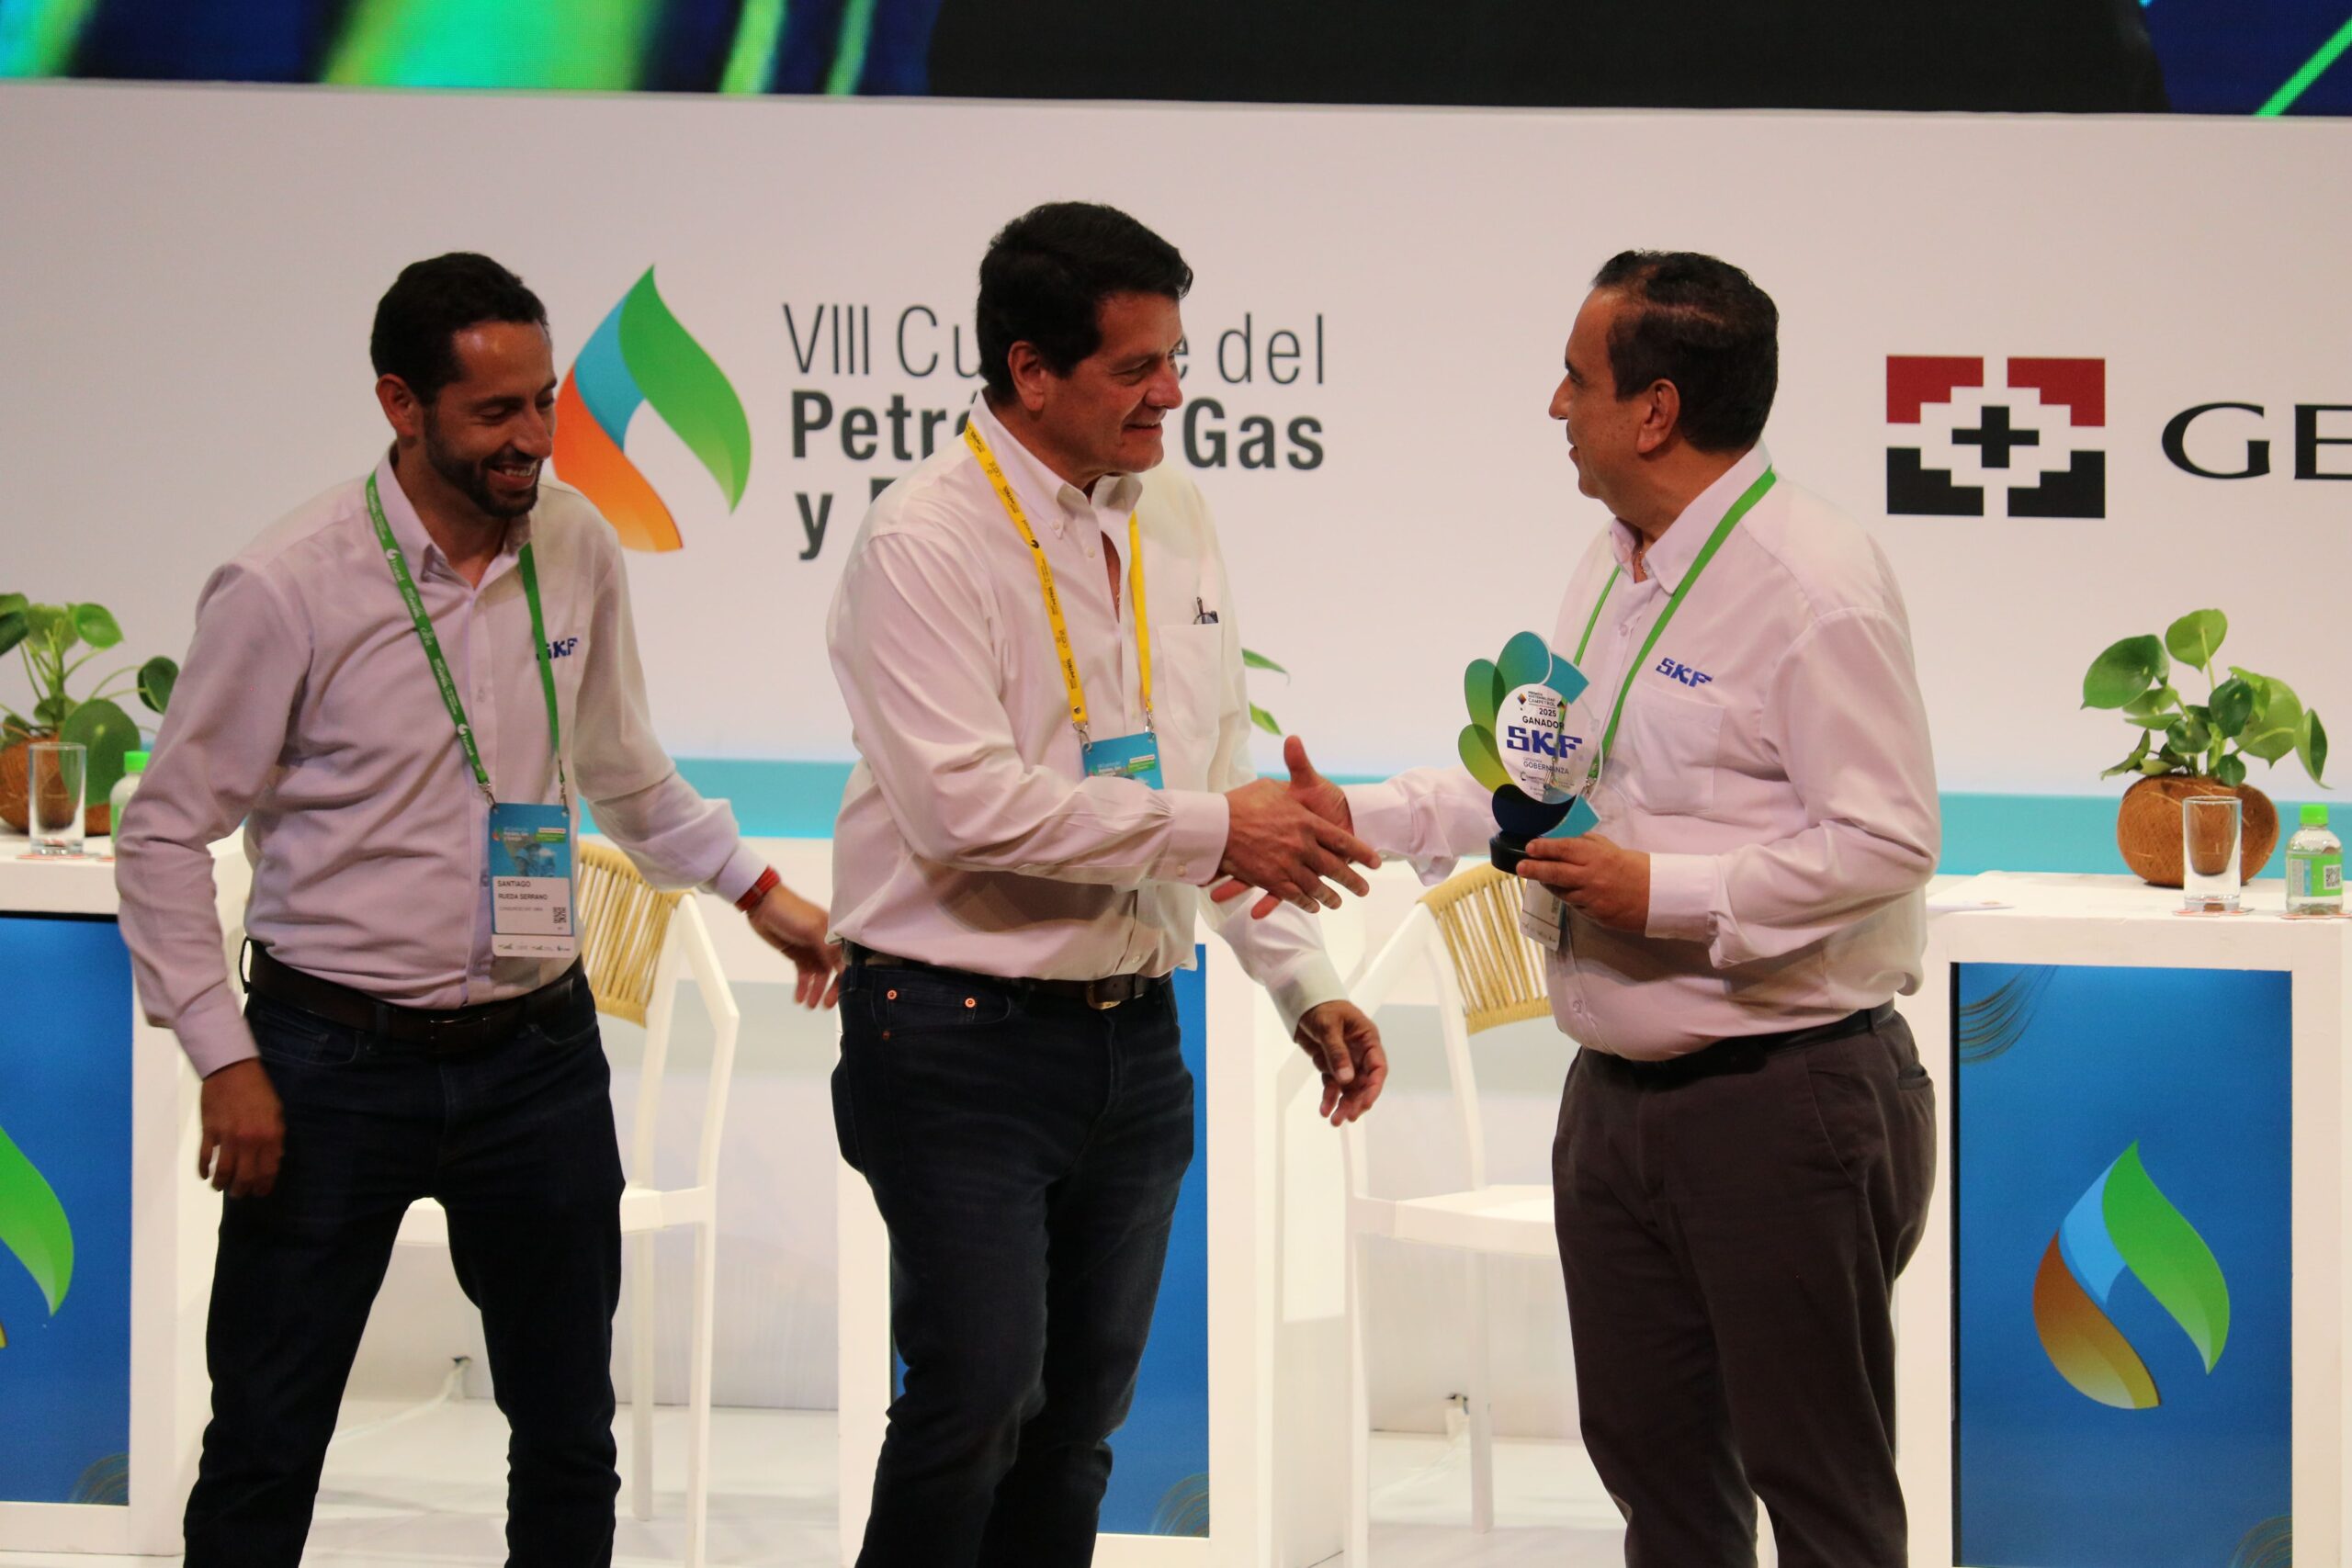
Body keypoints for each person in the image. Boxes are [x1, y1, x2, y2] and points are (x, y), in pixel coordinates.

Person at [114, 252, 842, 1568]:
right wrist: (223, 1058)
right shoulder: (287, 585)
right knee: (268, 1435)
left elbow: (623, 768)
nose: (535, 438)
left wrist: (762, 893)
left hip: (535, 1055)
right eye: (496, 411)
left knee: (567, 1432)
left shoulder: (577, 544)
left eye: (546, 401)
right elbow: (164, 828)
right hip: (328, 1060)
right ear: (402, 405)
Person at [1266, 252, 1939, 1567]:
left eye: (1577, 379)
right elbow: (1547, 783)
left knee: (1822, 1498)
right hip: (1617, 1108)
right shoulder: (1610, 562)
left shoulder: (1817, 585)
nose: (1555, 405)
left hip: (1780, 1100)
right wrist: (1366, 814)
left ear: (1656, 411)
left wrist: (1664, 892)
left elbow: (1890, 838)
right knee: (1657, 1487)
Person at [824, 200, 1388, 1566]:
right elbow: (964, 806)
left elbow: (1218, 775)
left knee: (1077, 1427)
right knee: (972, 1403)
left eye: (1175, 359)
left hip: (1134, 1041)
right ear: (1030, 371)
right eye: (1136, 368)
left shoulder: (1175, 514)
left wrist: (1300, 983)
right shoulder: (922, 541)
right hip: (954, 1038)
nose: (1171, 395)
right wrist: (1215, 829)